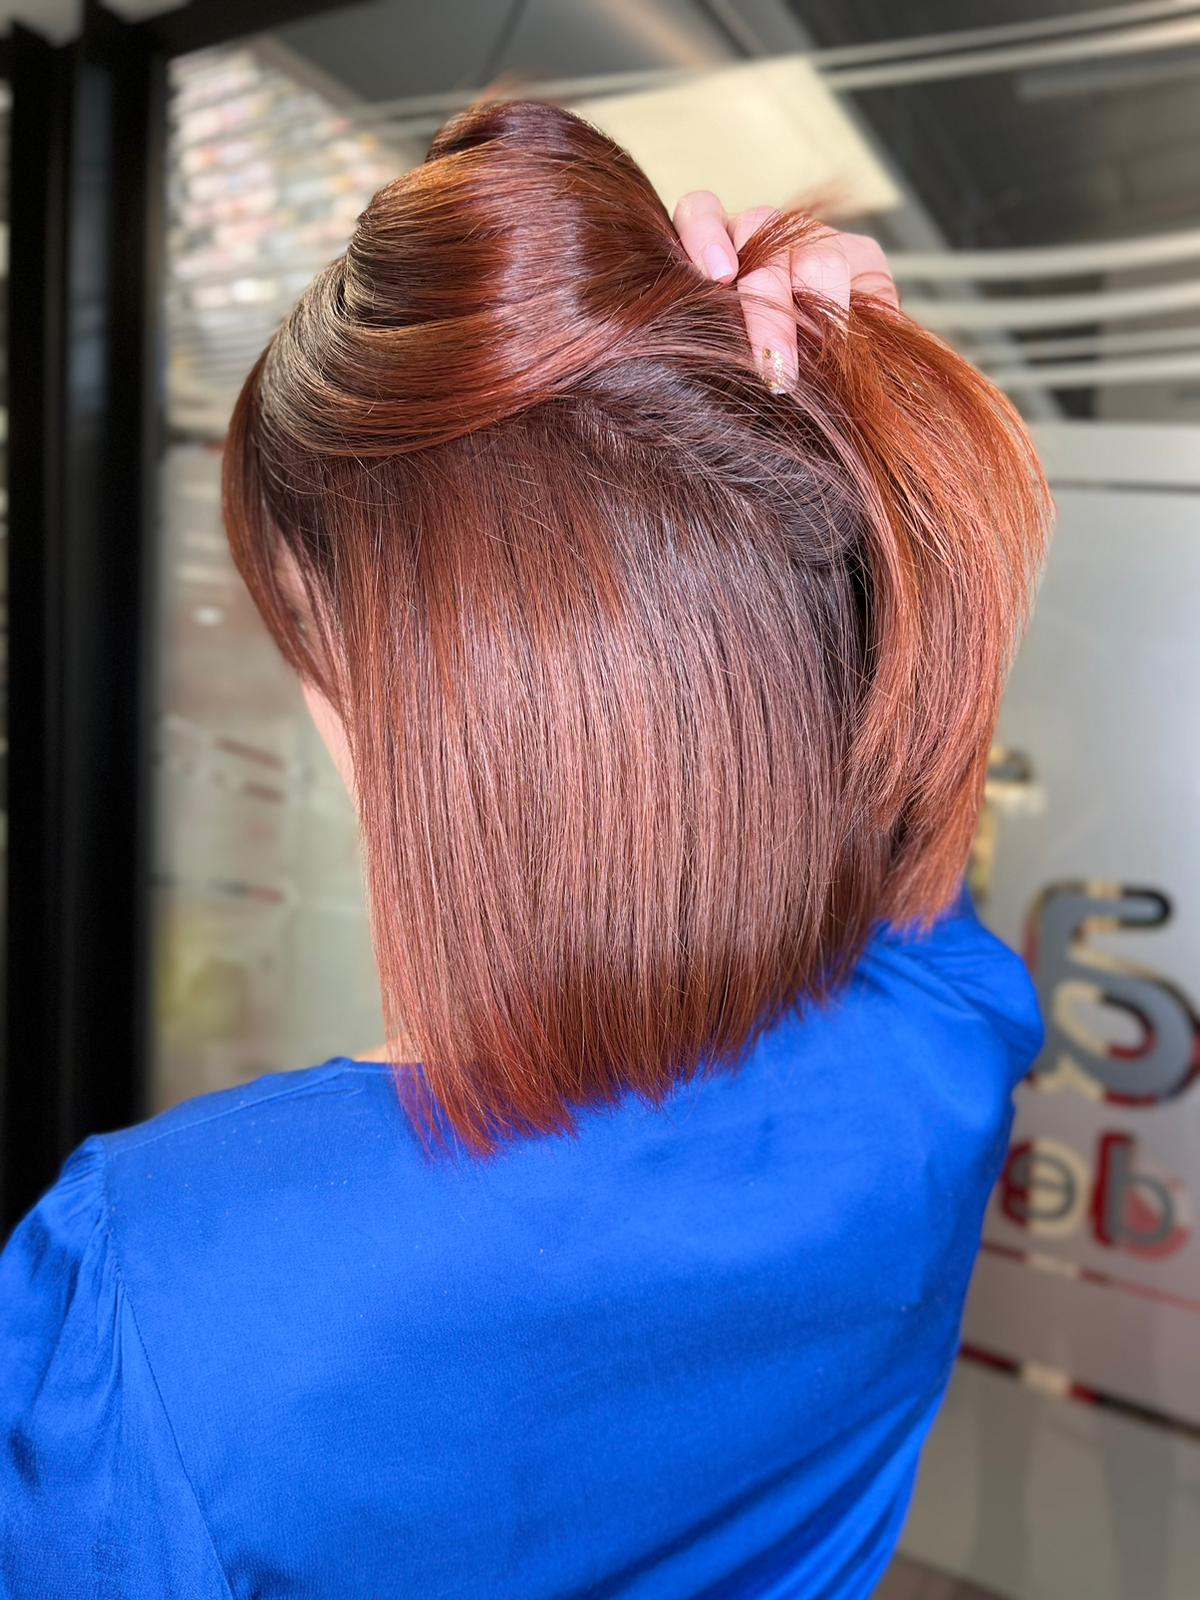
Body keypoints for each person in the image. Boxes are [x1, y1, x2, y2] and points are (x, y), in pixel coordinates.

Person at [0, 100, 1050, 1598]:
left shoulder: (161, 1291)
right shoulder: (944, 1039)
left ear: (425, 703)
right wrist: (853, 514)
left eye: (309, 641)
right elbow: (896, 829)